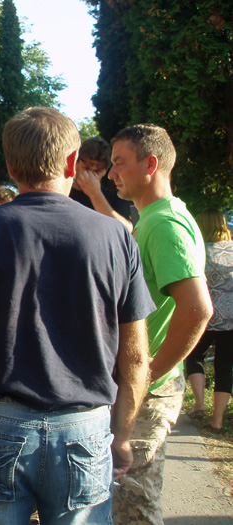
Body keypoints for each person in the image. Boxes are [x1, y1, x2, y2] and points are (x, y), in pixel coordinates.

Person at [0, 107, 153, 523]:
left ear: (10, 166)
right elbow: (136, 358)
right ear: (72, 162)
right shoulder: (117, 236)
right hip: (84, 426)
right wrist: (122, 434)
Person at [108, 123, 213, 524]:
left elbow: (198, 309)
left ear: (150, 164)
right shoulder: (156, 217)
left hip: (147, 392)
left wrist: (148, 374)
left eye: (120, 163)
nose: (112, 173)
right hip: (140, 386)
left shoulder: (163, 223)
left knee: (134, 507)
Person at [185, 209, 233, 432]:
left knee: (194, 355)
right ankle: (217, 421)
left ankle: (200, 404)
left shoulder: (198, 251)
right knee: (225, 365)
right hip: (230, 318)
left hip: (204, 315)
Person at [70, 136, 134, 232]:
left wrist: (95, 194)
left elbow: (126, 230)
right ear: (76, 164)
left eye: (97, 171)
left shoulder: (116, 197)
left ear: (105, 171)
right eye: (86, 168)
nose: (90, 175)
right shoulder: (64, 194)